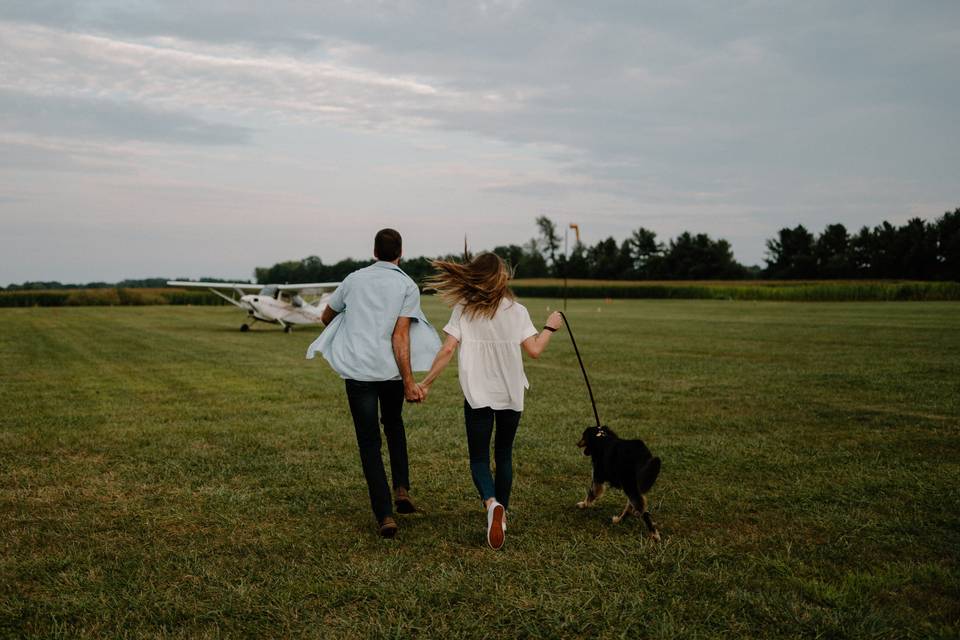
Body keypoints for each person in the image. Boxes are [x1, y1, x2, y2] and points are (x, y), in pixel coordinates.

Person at [417, 252, 562, 549]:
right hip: (511, 393)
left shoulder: (464, 308)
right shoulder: (518, 311)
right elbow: (534, 350)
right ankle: (502, 516)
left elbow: (446, 351)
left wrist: (426, 383)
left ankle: (492, 503)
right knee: (504, 455)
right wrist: (550, 327)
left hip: (478, 394)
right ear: (502, 276)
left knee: (480, 458)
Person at [306, 229, 440, 538]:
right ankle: (402, 487)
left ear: (374, 252)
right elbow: (401, 336)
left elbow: (326, 316)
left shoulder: (353, 280)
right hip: (391, 371)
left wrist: (351, 329)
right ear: (400, 253)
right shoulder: (407, 284)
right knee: (393, 424)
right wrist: (409, 381)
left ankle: (384, 515)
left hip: (358, 372)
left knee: (369, 443)